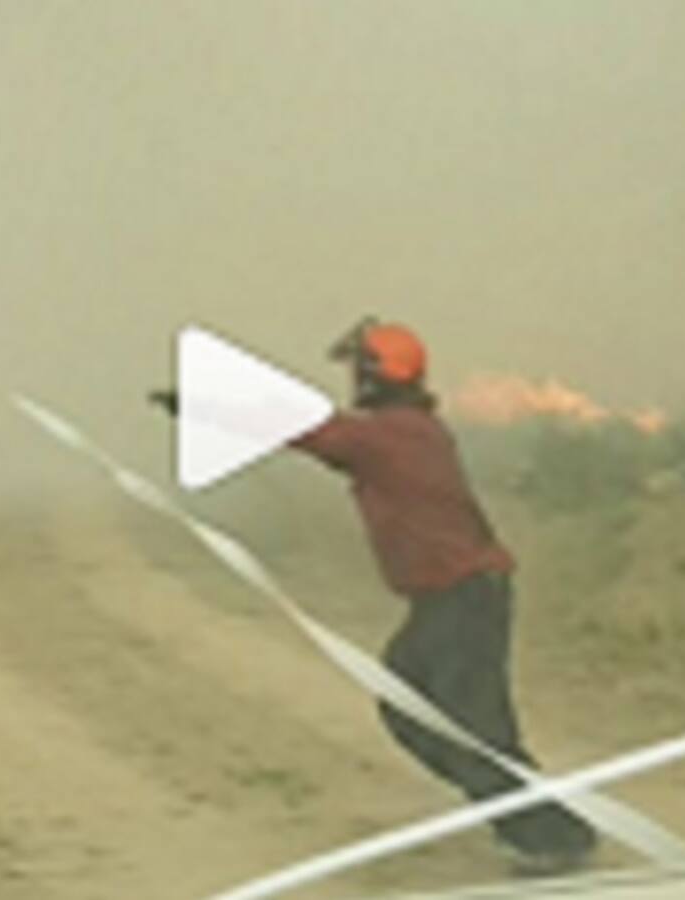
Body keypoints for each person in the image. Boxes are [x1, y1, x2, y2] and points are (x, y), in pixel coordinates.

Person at [150, 317, 596, 874]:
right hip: (448, 600)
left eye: (358, 367)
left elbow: (307, 430)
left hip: (464, 599)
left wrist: (206, 407)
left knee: (475, 731)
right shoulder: (406, 430)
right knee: (407, 708)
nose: (352, 379)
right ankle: (541, 825)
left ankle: (551, 840)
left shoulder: (390, 434)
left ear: (377, 374)